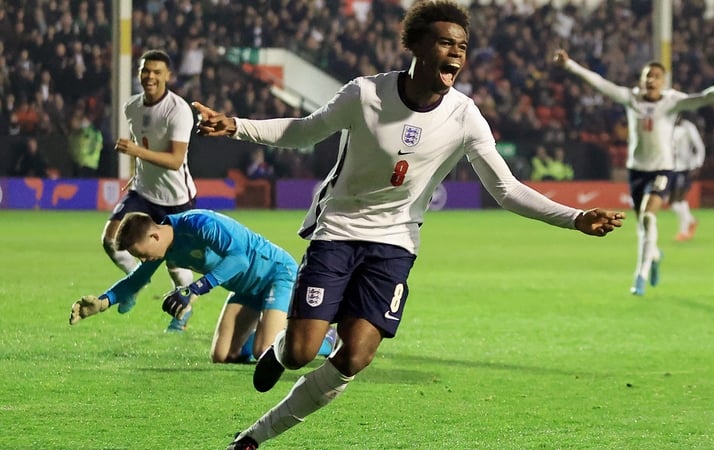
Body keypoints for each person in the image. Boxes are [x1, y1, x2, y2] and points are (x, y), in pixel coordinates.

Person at [194, 2, 625, 448]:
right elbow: (304, 131)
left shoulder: (464, 115)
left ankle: (253, 438)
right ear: (416, 46)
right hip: (339, 229)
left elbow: (506, 189)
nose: (456, 54)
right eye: (445, 43)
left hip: (395, 243)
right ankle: (280, 350)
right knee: (303, 351)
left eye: (462, 46)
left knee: (355, 356)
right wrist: (236, 126)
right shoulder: (364, 94)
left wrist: (575, 217)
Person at [553, 49, 714, 296]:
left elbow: (701, 98)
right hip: (637, 170)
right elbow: (600, 84)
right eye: (648, 76)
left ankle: (640, 275)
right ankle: (656, 255)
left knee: (649, 218)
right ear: (642, 79)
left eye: (657, 76)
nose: (651, 80)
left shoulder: (672, 101)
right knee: (643, 225)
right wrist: (570, 65)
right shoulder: (632, 99)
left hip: (662, 168)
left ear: (664, 81)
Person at [69, 210, 337, 363]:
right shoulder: (164, 250)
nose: (143, 259)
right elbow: (136, 279)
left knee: (265, 352)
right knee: (222, 356)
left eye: (141, 252)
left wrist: (194, 289)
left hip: (276, 273)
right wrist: (103, 302)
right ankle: (272, 328)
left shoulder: (199, 224)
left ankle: (327, 339)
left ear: (154, 234)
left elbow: (240, 259)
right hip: (244, 288)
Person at [102, 49, 198, 332]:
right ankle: (135, 281)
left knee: (174, 263)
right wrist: (136, 174)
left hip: (176, 197)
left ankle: (184, 309)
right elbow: (145, 146)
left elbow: (175, 160)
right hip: (143, 190)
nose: (150, 77)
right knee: (111, 240)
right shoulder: (131, 107)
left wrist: (136, 151)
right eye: (146, 71)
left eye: (157, 72)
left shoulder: (178, 111)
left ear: (168, 76)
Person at [670, 114, 705, 241]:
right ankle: (691, 221)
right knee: (673, 202)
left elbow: (699, 146)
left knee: (678, 199)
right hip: (669, 167)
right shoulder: (666, 125)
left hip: (684, 168)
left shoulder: (688, 127)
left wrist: (698, 163)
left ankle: (684, 231)